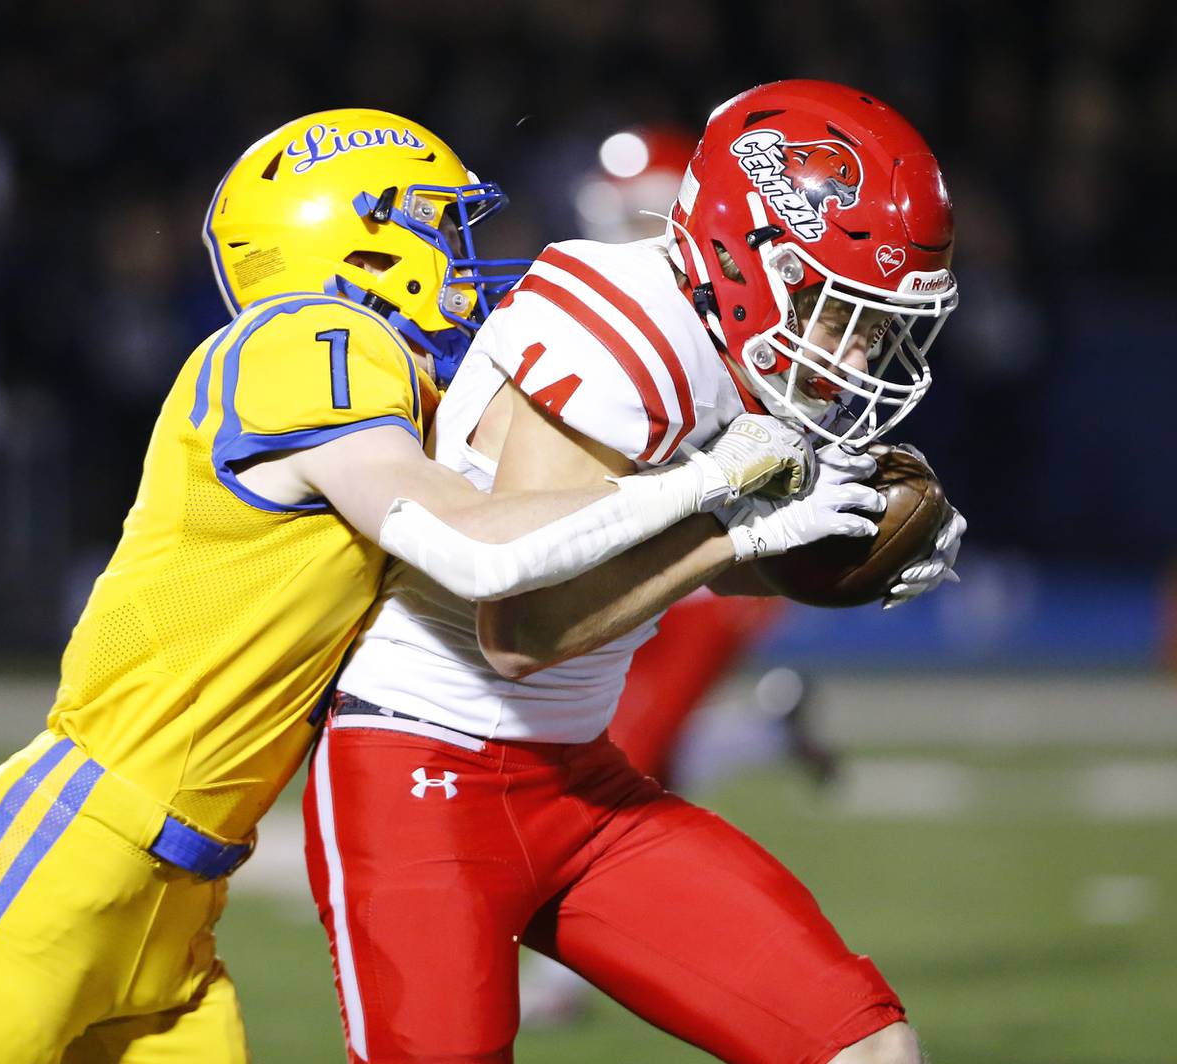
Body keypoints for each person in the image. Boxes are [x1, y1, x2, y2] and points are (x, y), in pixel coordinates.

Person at [0, 108, 815, 1064]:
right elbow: (478, 547)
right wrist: (712, 481)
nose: (465, 253)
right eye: (439, 224)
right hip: (75, 851)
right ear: (363, 245)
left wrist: (767, 528)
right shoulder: (308, 343)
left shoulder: (381, 384)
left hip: (179, 898)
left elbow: (547, 546)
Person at [303, 80, 965, 1064]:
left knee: (863, 1046)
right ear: (763, 261)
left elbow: (646, 558)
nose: (861, 349)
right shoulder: (620, 328)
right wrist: (739, 535)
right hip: (419, 775)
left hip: (578, 780)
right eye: (845, 312)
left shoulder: (723, 337)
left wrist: (823, 543)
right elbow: (521, 626)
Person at [522, 124, 834, 1028]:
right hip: (659, 545)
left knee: (624, 749)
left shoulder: (734, 311)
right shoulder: (619, 305)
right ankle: (767, 738)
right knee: (621, 746)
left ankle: (561, 979)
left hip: (713, 558)